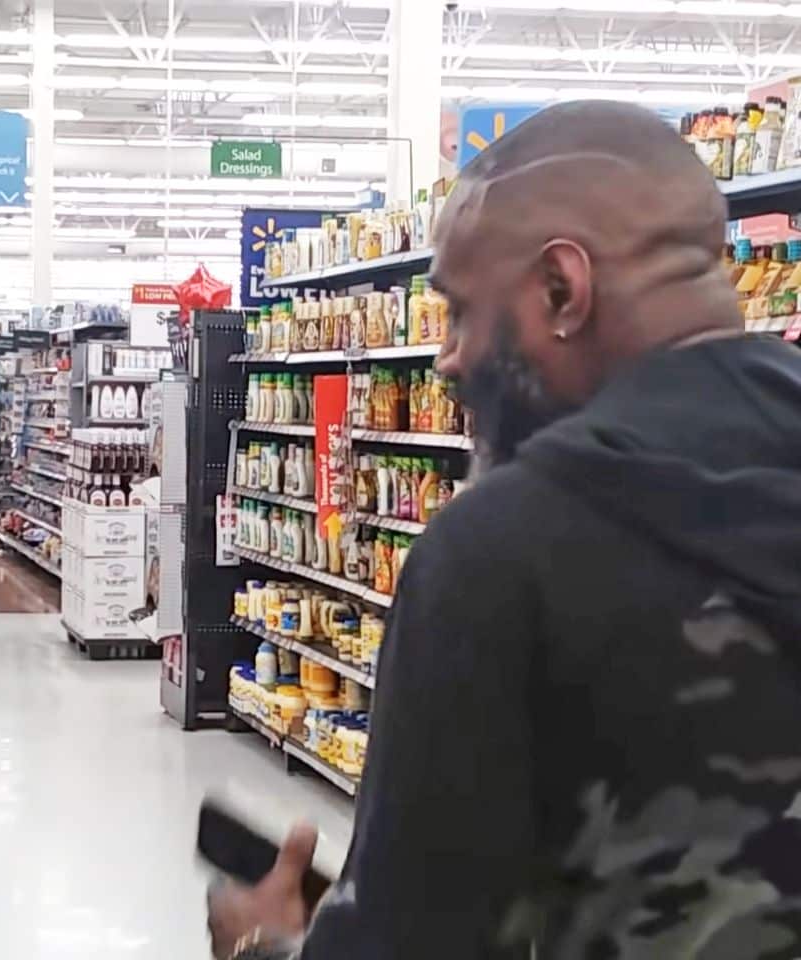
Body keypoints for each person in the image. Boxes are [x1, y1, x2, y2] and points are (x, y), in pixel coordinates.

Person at [208, 100, 801, 958]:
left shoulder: (500, 556)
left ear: (562, 289)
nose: (445, 357)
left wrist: (264, 946)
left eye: (457, 311)